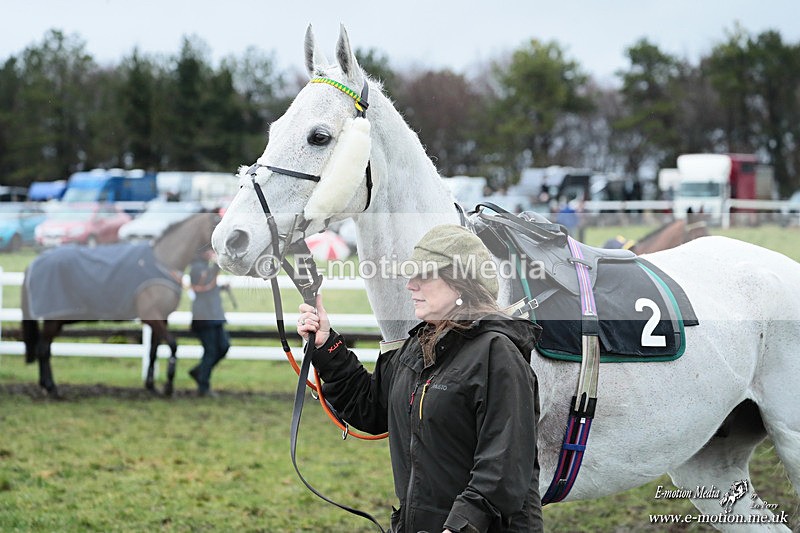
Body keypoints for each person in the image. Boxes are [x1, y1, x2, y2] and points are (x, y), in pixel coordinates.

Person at [297, 224, 543, 533]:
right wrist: (326, 345)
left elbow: (504, 467)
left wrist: (458, 527)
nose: (410, 285)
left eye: (424, 276)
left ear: (460, 284)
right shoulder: (418, 344)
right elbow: (371, 408)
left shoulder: (498, 354)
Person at [188, 246, 230, 397]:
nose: (212, 253)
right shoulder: (196, 268)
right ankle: (203, 386)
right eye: (210, 251)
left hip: (215, 315)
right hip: (204, 316)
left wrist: (220, 288)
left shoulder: (205, 266)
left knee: (224, 346)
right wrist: (217, 264)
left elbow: (210, 287)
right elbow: (203, 284)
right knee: (211, 351)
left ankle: (199, 371)